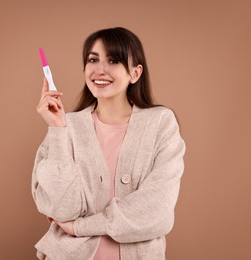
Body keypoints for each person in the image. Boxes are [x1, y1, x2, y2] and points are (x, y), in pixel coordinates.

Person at [32, 27, 186, 260]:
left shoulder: (161, 123)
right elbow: (61, 209)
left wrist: (80, 227)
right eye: (93, 59)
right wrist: (57, 130)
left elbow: (156, 210)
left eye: (113, 60)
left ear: (135, 73)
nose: (100, 69)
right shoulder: (67, 127)